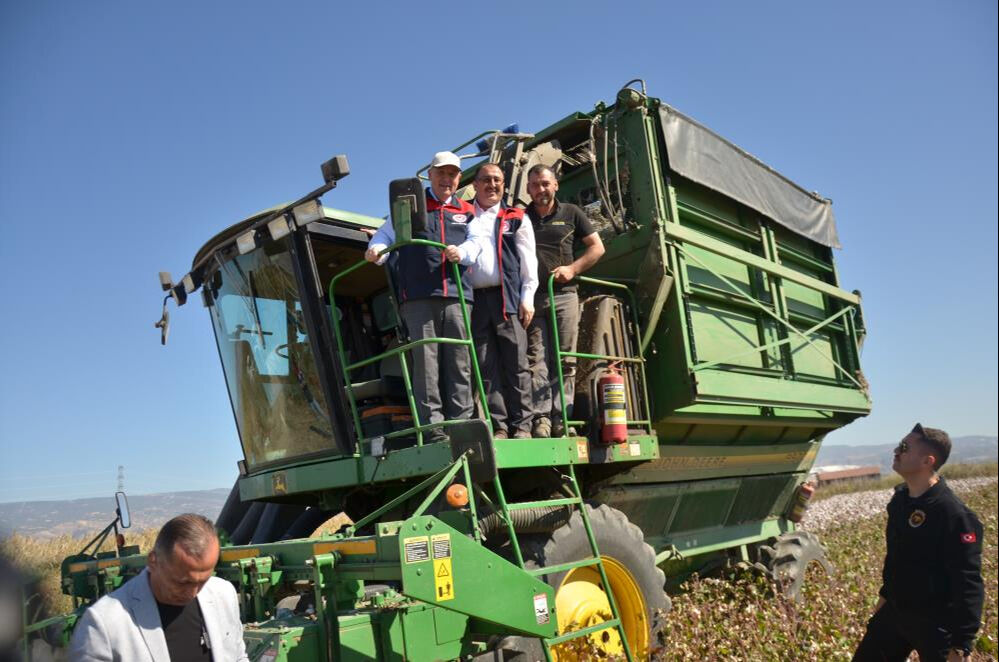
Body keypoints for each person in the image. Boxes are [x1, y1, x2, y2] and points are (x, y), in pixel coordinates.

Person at [365, 151, 483, 442]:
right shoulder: (407, 208)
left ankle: (461, 427)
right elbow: (384, 237)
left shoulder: (468, 211)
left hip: (457, 297)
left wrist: (463, 253)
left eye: (452, 174)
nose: (447, 179)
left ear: (458, 178)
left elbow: (477, 242)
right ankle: (434, 431)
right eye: (441, 173)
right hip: (418, 298)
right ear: (429, 175)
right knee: (426, 366)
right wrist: (375, 251)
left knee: (460, 363)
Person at [852, 424, 984, 662]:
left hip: (937, 623)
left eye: (904, 447)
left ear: (927, 461)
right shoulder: (900, 501)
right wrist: (884, 598)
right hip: (896, 611)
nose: (896, 451)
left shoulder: (955, 515)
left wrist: (962, 645)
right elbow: (895, 558)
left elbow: (968, 581)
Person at [70, 513, 248, 662]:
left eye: (203, 581)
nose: (193, 592)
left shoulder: (223, 593)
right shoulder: (104, 622)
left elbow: (238, 656)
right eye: (182, 581)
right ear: (153, 561)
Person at [524, 164, 605, 437]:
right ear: (528, 189)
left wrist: (573, 269)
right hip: (532, 299)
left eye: (545, 183)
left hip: (564, 296)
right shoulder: (521, 218)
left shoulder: (572, 213)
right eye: (535, 185)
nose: (541, 189)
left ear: (555, 185)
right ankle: (542, 419)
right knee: (537, 360)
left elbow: (597, 247)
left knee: (565, 358)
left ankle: (563, 419)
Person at [458, 163, 538, 439]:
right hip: (474, 301)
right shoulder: (462, 214)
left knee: (516, 364)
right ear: (475, 185)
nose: (492, 185)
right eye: (486, 180)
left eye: (497, 180)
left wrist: (527, 298)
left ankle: (523, 425)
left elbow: (529, 262)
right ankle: (500, 426)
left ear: (504, 184)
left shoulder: (516, 216)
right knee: (486, 365)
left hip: (508, 299)